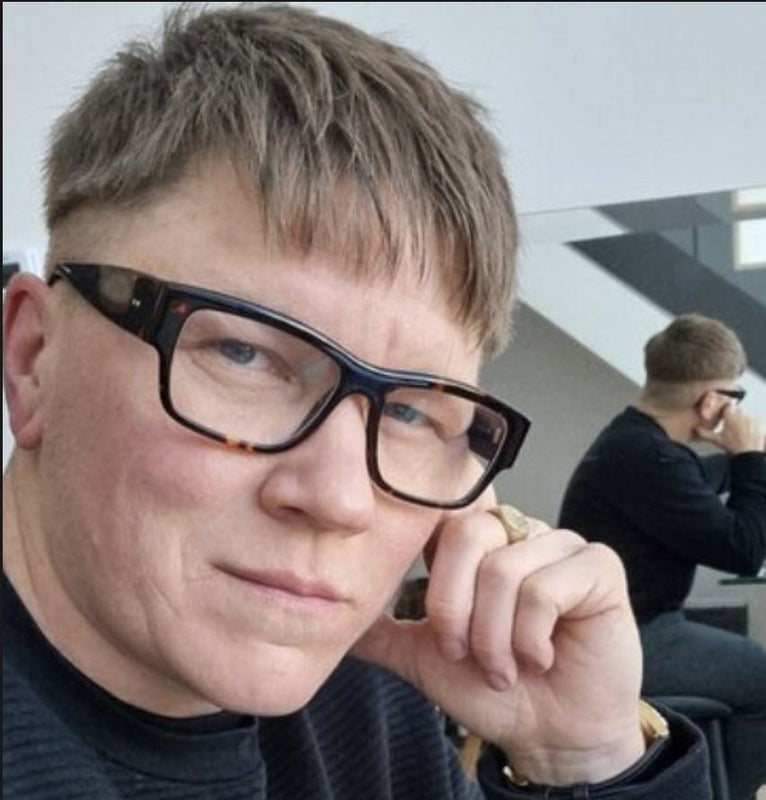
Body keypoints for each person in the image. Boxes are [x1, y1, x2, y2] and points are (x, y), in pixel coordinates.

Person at [3, 4, 709, 798]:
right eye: (243, 353)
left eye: (409, 411)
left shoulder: (368, 708)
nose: (340, 501)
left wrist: (586, 759)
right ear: (33, 359)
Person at [558, 312, 766, 800]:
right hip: (626, 640)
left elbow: (695, 480)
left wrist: (746, 460)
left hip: (618, 631)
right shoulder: (652, 459)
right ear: (712, 401)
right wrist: (749, 458)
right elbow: (746, 549)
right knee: (763, 678)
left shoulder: (633, 443)